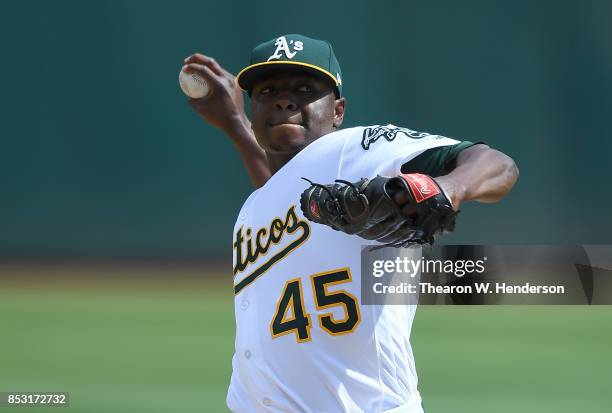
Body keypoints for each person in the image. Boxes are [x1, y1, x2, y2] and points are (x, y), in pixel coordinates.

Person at [183, 34, 518, 413]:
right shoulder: (260, 203)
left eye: (305, 89)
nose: (283, 99)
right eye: (266, 90)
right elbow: (285, 197)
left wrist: (445, 188)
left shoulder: (359, 149)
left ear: (338, 111)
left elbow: (497, 164)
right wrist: (234, 124)